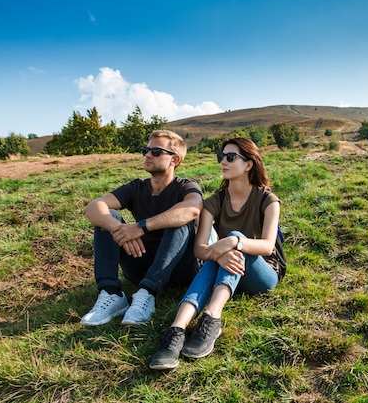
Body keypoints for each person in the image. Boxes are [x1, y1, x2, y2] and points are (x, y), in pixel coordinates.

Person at [149, 137, 284, 370]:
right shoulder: (214, 202)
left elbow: (267, 246)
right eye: (221, 157)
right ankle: (177, 330)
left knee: (230, 245)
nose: (223, 161)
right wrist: (219, 253)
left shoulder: (267, 199)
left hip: (263, 272)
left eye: (231, 157)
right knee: (216, 258)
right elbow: (199, 248)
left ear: (249, 164)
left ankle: (212, 317)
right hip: (229, 269)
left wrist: (233, 240)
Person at [80, 130, 203, 327]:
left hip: (179, 269)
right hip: (140, 263)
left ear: (175, 159)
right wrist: (119, 228)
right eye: (146, 150)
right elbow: (93, 207)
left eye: (156, 151)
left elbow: (191, 210)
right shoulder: (137, 187)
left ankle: (148, 293)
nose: (147, 155)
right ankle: (111, 293)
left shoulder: (186, 187)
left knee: (179, 220)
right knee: (107, 217)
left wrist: (141, 227)